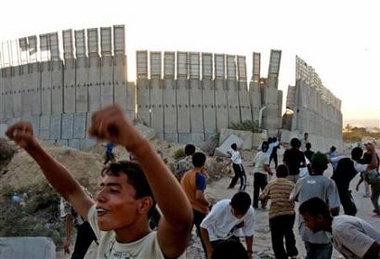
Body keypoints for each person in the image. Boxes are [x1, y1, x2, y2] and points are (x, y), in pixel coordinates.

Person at [5, 104, 193, 259]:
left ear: (143, 204)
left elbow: (180, 221)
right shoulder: (108, 233)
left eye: (113, 190)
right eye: (102, 187)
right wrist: (34, 148)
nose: (100, 196)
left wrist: (137, 145)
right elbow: (71, 191)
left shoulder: (159, 248)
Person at [290, 152, 340, 259]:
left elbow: (291, 198)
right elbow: (334, 208)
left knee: (310, 253)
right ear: (325, 167)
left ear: (311, 166)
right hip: (323, 232)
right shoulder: (329, 183)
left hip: (305, 229)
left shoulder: (301, 181)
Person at [299, 197, 380, 259]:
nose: (306, 224)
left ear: (319, 217)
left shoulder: (340, 229)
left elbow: (373, 249)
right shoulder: (333, 227)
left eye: (307, 220)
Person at [259, 164, 298, 259]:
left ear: (277, 173)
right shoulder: (292, 185)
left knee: (277, 238)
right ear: (287, 174)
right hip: (289, 214)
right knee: (289, 232)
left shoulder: (271, 184)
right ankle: (292, 253)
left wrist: (269, 196)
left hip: (275, 215)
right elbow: (297, 198)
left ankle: (281, 256)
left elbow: (261, 197)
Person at [200, 191, 254, 259]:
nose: (239, 217)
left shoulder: (250, 212)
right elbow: (203, 227)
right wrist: (209, 250)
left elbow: (249, 233)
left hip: (230, 234)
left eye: (242, 214)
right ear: (230, 205)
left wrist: (249, 252)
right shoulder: (220, 208)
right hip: (214, 235)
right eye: (236, 213)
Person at [181, 151, 210, 257]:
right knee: (204, 235)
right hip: (198, 210)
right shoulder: (200, 177)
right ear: (204, 162)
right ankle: (209, 254)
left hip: (186, 208)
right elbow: (199, 196)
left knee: (185, 235)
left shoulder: (187, 174)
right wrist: (208, 204)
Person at [351, 142, 380, 215]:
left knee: (373, 198)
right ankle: (377, 209)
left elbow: (376, 164)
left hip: (377, 181)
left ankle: (378, 210)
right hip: (374, 181)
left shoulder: (363, 165)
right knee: (373, 198)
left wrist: (373, 150)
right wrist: (358, 185)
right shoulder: (363, 167)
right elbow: (362, 177)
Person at [252, 141, 272, 209]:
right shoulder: (267, 155)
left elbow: (254, 163)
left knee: (256, 190)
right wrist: (270, 172)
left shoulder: (258, 154)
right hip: (262, 174)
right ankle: (263, 204)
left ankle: (255, 204)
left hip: (256, 172)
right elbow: (265, 167)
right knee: (265, 190)